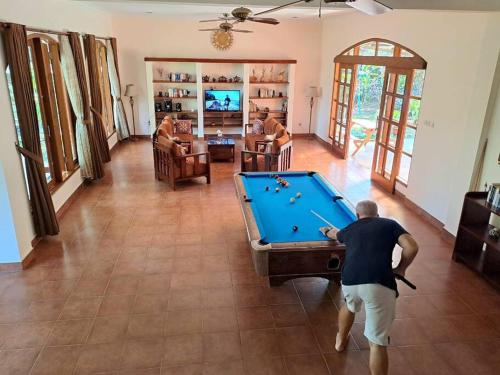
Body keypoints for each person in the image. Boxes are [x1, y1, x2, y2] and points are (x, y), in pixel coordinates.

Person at [319, 200, 418, 375]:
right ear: (378, 215)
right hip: (379, 283)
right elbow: (412, 247)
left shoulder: (351, 227)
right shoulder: (390, 225)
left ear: (358, 216)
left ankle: (340, 342)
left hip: (350, 280)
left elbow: (335, 234)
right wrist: (401, 269)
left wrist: (326, 230)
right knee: (377, 342)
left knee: (349, 306)